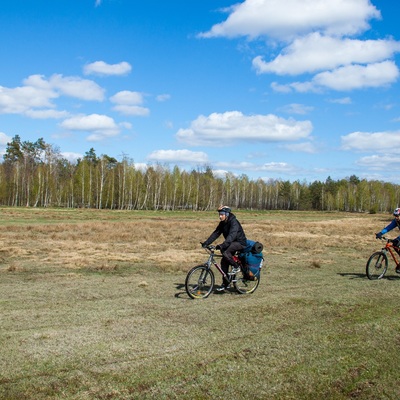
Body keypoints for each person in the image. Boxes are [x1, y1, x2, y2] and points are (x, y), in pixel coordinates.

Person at [201, 206, 247, 291]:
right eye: (219, 214)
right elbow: (216, 233)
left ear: (227, 214)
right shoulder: (223, 223)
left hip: (240, 243)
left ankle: (236, 266)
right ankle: (226, 284)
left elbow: (231, 236)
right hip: (231, 243)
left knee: (225, 251)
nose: (220, 216)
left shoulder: (234, 222)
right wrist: (206, 243)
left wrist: (222, 245)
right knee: (224, 262)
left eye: (222, 214)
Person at [376, 207, 400, 273]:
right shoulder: (396, 221)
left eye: (397, 216)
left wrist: (398, 239)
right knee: (395, 245)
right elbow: (389, 227)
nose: (396, 217)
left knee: (397, 242)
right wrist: (380, 233)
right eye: (395, 216)